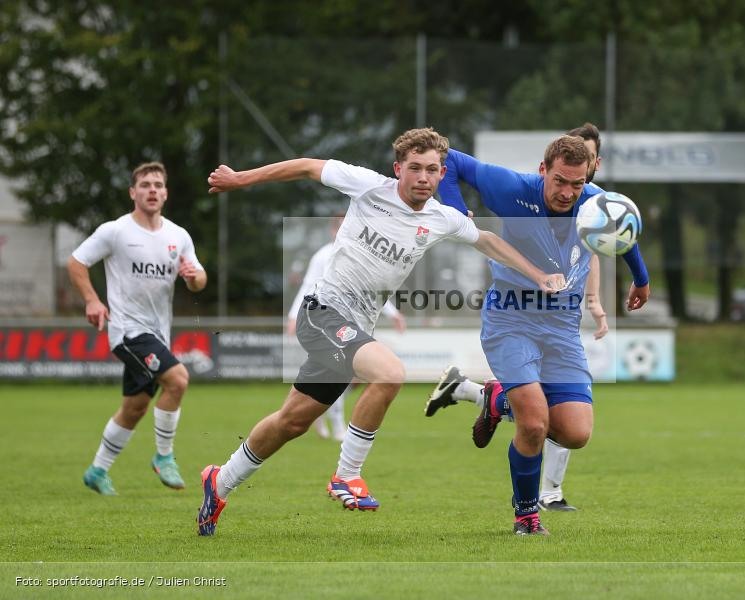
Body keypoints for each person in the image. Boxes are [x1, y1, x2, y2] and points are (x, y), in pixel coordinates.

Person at [197, 127, 566, 536]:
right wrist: (240, 178)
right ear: (398, 169)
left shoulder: (442, 218)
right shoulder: (368, 187)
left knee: (291, 422)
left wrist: (539, 275)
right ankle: (346, 475)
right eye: (415, 168)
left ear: (442, 174)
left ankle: (220, 480)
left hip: (354, 328)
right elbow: (305, 166)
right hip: (323, 313)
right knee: (390, 372)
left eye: (432, 170)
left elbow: (489, 241)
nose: (423, 177)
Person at [423, 133, 650, 535]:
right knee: (532, 422)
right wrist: (458, 214)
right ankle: (526, 516)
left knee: (576, 433)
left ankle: (495, 397)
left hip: (562, 326)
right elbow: (449, 159)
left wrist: (641, 279)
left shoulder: (594, 200)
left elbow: (623, 227)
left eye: (576, 184)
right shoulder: (513, 187)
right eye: (560, 181)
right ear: (543, 170)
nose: (567, 192)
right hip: (511, 319)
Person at [68, 162, 207, 496]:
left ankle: (97, 471)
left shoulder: (178, 235)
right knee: (178, 379)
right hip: (127, 331)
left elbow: (199, 281)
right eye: (145, 184)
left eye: (158, 184)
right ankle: (164, 457)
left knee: (134, 408)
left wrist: (193, 277)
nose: (152, 190)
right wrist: (92, 300)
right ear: (133, 193)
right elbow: (75, 262)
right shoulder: (115, 231)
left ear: (166, 193)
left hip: (159, 333)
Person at [285, 214, 406, 442]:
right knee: (339, 372)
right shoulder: (323, 255)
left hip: (358, 323)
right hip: (326, 322)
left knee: (356, 376)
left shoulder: (361, 254)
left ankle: (316, 409)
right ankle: (338, 426)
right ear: (333, 232)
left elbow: (372, 291)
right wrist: (293, 316)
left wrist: (394, 313)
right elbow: (308, 285)